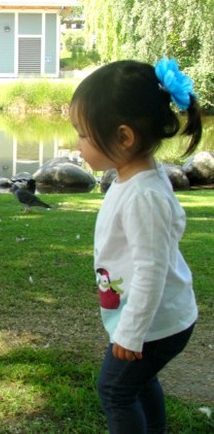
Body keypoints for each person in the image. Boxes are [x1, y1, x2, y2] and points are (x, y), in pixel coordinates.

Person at [70, 58, 202, 434]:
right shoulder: (135, 177)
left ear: (124, 138)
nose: (77, 145)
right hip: (154, 319)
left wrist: (131, 333)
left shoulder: (144, 195)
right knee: (137, 383)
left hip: (156, 323)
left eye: (83, 135)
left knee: (115, 389)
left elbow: (151, 270)